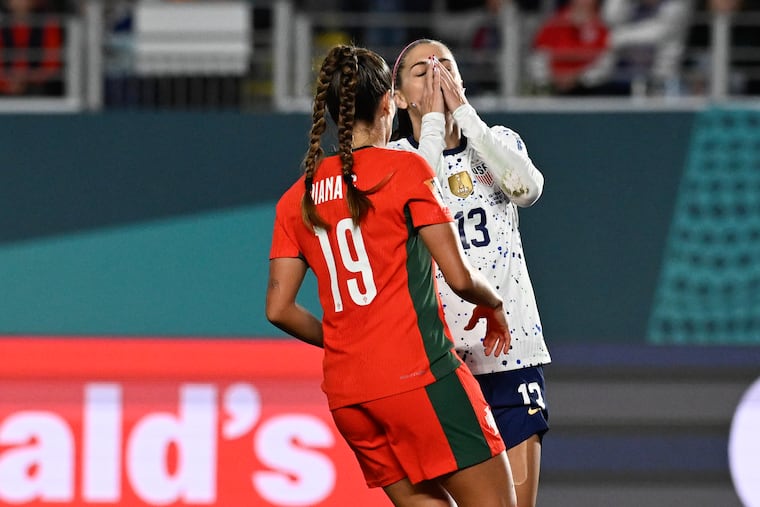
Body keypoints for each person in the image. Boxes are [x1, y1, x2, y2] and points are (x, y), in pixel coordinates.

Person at [266, 44, 518, 507]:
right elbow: (460, 279)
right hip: (420, 378)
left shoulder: (294, 200)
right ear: (388, 104)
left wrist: (347, 340)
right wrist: (496, 304)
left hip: (349, 397)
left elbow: (278, 309)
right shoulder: (406, 170)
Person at [389, 39, 551, 507]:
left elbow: (527, 190)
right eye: (421, 70)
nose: (436, 73)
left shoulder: (499, 141)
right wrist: (435, 124)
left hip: (511, 353)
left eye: (446, 66)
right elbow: (422, 193)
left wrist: (467, 118)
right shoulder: (397, 160)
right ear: (399, 98)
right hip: (442, 361)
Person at [529, 0, 611, 95]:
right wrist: (555, 77)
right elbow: (538, 60)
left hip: (590, 92)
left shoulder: (602, 29)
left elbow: (605, 65)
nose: (583, 2)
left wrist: (576, 77)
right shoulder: (553, 25)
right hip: (553, 91)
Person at [0, 0, 63, 96]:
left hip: (38, 88)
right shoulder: (2, 23)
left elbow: (52, 64)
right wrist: (7, 83)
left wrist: (29, 78)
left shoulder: (47, 22)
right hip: (6, 87)